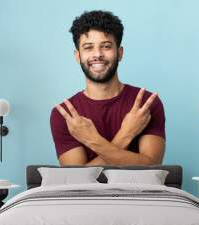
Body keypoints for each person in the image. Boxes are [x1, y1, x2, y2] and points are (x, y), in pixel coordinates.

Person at [50, 10, 166, 166]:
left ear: (120, 53)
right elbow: (76, 181)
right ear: (77, 56)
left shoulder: (146, 104)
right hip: (88, 192)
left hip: (137, 191)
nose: (97, 54)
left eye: (106, 46)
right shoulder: (65, 115)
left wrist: (92, 140)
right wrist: (126, 134)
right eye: (88, 47)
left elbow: (151, 167)